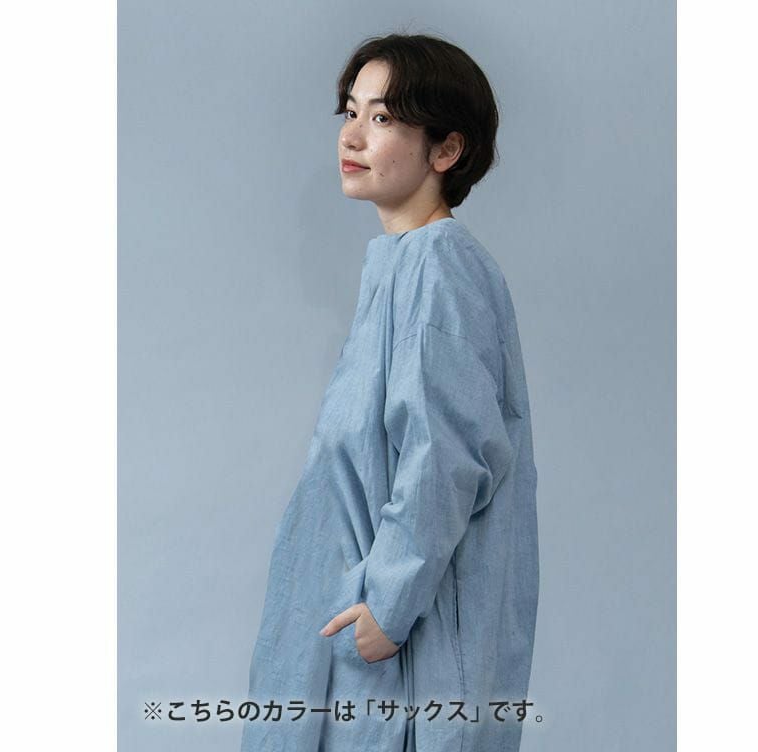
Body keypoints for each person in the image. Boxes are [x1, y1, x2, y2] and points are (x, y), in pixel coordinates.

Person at [240, 33, 539, 752]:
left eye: (382, 118)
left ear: (446, 150)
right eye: (350, 112)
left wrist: (389, 603)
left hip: (398, 648)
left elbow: (445, 455)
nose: (351, 136)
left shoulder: (442, 268)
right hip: (358, 628)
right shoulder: (401, 264)